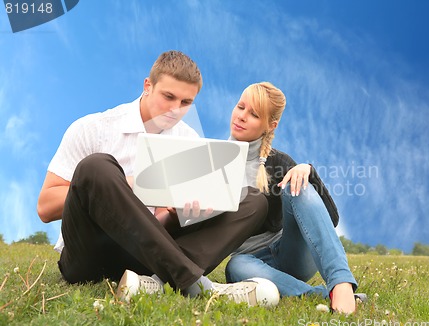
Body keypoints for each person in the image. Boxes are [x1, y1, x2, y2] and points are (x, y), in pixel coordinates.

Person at [36, 51, 278, 306]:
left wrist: (181, 213)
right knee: (97, 167)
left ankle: (153, 283)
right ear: (148, 86)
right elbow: (45, 208)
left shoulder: (189, 142)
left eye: (185, 102)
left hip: (144, 256)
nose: (175, 109)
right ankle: (195, 283)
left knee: (252, 200)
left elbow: (161, 218)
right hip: (88, 254)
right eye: (169, 97)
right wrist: (132, 183)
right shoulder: (94, 128)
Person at [224, 82, 362, 314]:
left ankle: (341, 283)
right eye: (240, 107)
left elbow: (331, 220)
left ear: (270, 125)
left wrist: (308, 173)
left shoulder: (278, 162)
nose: (242, 117)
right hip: (251, 263)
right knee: (235, 266)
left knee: (299, 185)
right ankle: (316, 295)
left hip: (292, 253)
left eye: (254, 114)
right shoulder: (216, 160)